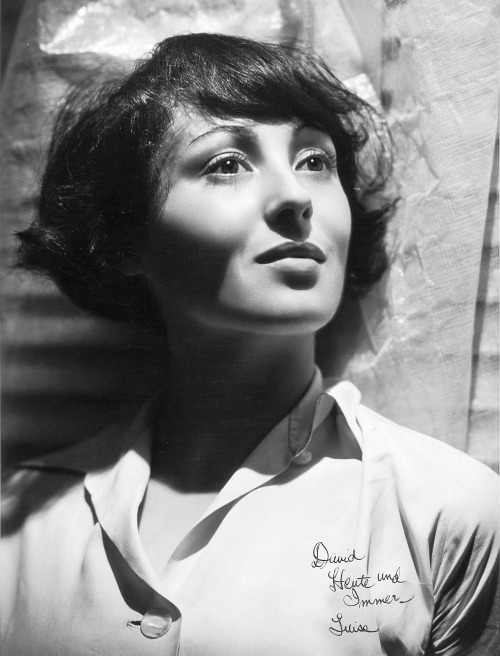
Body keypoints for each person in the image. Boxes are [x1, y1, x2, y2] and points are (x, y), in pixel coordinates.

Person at [1, 33, 498, 656]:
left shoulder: (445, 512)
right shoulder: (21, 527)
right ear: (125, 239)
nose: (295, 197)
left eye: (315, 161)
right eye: (227, 163)